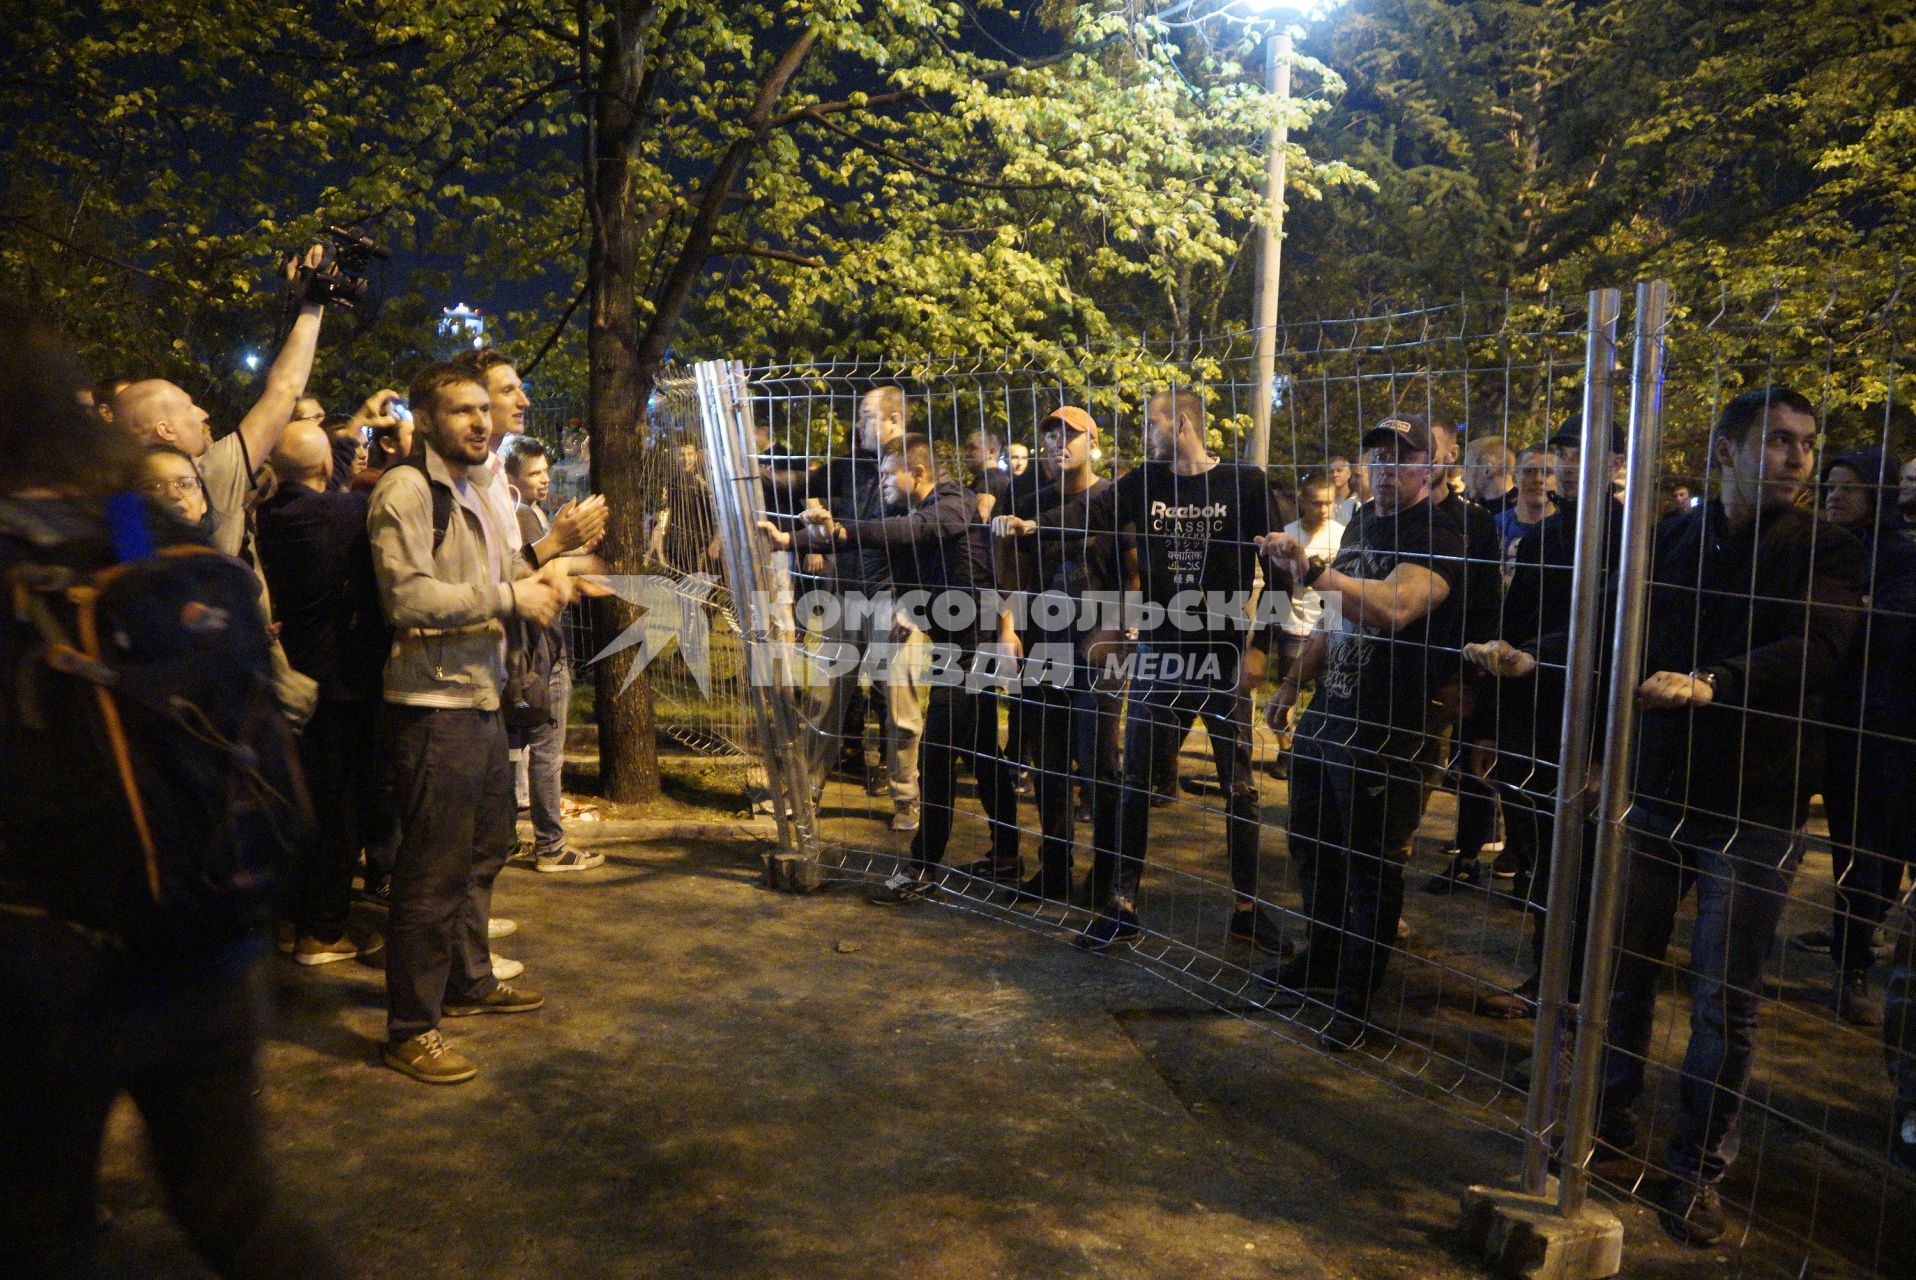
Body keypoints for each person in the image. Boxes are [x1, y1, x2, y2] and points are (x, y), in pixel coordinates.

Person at [0, 305, 344, 1278]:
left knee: (41, 1221)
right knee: (233, 1202)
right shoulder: (146, 530)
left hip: (50, 952)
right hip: (206, 922)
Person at [1597, 386, 1865, 1246]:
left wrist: (1717, 683)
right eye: (1779, 441)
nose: (1796, 458)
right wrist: (1540, 660)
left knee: (1724, 1000)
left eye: (1805, 445)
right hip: (1661, 785)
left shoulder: (1824, 545)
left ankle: (1696, 1171)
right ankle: (1605, 1126)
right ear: (1725, 451)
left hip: (1759, 804)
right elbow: (1623, 635)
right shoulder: (1672, 537)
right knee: (1625, 966)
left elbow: (1817, 648)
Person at [1004, 390, 1281, 954]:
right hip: (1159, 650)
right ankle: (1121, 906)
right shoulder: (1142, 482)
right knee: (1133, 782)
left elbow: (1275, 566)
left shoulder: (1246, 483)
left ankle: (1248, 908)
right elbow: (1090, 516)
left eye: (1150, 423)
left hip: (1223, 654)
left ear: (1180, 423)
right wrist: (1031, 527)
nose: (1144, 434)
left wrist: (1262, 648)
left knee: (1242, 788)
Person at [366, 362, 573, 1084]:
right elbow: (409, 597)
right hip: (434, 708)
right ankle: (410, 1028)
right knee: (430, 873)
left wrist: (544, 569)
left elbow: (501, 571)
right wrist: (514, 598)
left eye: (483, 409)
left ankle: (467, 978)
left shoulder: (472, 489)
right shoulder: (407, 489)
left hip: (481, 700)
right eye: (461, 411)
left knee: (487, 847)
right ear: (424, 419)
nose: (481, 422)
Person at [1263, 417, 1465, 1051]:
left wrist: (1312, 568)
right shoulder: (1366, 524)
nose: (1386, 468)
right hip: (1333, 714)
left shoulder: (1447, 531)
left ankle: (1357, 993)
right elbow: (1336, 615)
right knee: (1311, 845)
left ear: (1432, 466)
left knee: (1369, 861)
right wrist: (1295, 682)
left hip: (1392, 724)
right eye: (1377, 456)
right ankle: (1323, 958)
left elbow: (1393, 607)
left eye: (1401, 458)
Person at [800, 434, 1019, 903]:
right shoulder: (918, 513)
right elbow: (900, 548)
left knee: (938, 759)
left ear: (917, 473)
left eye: (887, 474)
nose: (880, 482)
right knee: (981, 755)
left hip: (971, 649)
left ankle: (922, 870)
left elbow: (914, 536)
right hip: (953, 646)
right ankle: (1007, 857)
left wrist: (839, 531)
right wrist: (789, 538)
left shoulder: (953, 504)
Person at [1786, 447, 1916, 1025]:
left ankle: (1853, 964)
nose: (1835, 496)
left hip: (1865, 724)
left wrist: (1844, 619)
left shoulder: (1898, 557)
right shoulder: (1810, 547)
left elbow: (1883, 636)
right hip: (1801, 714)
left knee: (1862, 849)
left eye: (1850, 488)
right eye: (1831, 486)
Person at [257, 421, 388, 965]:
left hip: (294, 677)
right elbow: (377, 505)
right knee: (340, 809)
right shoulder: (333, 515)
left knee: (304, 800)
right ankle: (324, 929)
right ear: (321, 469)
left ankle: (292, 919)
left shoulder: (269, 514)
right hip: (337, 685)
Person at [992, 406, 1124, 901]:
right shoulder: (1030, 500)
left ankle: (1108, 877)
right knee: (1047, 764)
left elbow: (1135, 572)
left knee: (1099, 767)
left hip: (1099, 651)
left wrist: (1118, 630)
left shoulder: (1113, 499)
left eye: (1068, 436)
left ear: (1093, 441)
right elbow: (1012, 577)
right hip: (1044, 648)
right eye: (1049, 437)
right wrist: (1007, 628)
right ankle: (1054, 867)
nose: (1057, 446)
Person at [499, 433, 606, 874]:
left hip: (532, 652)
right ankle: (551, 845)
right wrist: (572, 566)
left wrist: (574, 567)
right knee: (546, 751)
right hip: (540, 654)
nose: (543, 480)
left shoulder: (530, 515)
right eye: (533, 473)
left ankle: (507, 839)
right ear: (510, 478)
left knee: (515, 751)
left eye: (545, 471)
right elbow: (539, 573)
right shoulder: (522, 517)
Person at [1268, 476, 1346, 778]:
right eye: (1318, 503)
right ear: (1303, 501)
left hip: (1329, 625)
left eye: (1330, 502)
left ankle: (1315, 748)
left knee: (1326, 694)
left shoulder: (1341, 535)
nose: (1325, 509)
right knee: (1288, 692)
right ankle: (1286, 749)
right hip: (1294, 623)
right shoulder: (1288, 534)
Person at [1493, 445, 1557, 577]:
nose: (1538, 479)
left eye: (1548, 472)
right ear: (1515, 478)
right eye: (1529, 471)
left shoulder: (1568, 531)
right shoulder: (1494, 526)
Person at [1463, 436, 1515, 514]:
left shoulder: (1520, 512)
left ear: (1487, 470)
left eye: (1468, 468)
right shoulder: (1469, 507)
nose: (1462, 477)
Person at [1327, 454, 1362, 525]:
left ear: (1349, 474)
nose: (1334, 474)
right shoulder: (1324, 501)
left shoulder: (1357, 500)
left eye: (1339, 471)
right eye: (1331, 472)